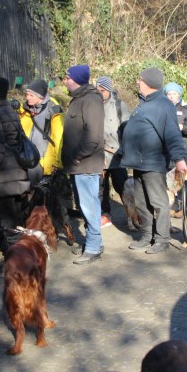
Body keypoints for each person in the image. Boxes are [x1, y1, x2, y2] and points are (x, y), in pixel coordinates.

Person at [120, 67, 187, 254]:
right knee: (141, 203)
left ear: (149, 83)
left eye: (140, 79)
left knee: (159, 202)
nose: (137, 82)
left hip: (153, 162)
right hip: (138, 163)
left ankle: (162, 239)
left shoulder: (163, 105)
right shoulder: (144, 103)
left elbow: (172, 134)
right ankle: (147, 235)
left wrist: (179, 159)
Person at [0, 77, 32, 273]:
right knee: (16, 219)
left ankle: (15, 263)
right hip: (18, 171)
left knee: (7, 221)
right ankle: (20, 257)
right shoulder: (9, 109)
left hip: (5, 175)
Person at [61, 64, 105, 265]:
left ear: (77, 79)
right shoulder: (79, 99)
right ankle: (94, 242)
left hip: (85, 164)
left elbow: (93, 135)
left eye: (67, 78)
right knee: (84, 205)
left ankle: (93, 248)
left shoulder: (91, 100)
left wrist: (78, 156)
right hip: (78, 164)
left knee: (89, 206)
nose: (65, 81)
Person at [96, 75, 129, 228]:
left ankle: (131, 213)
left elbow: (127, 129)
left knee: (123, 186)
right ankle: (105, 215)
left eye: (102, 90)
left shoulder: (119, 105)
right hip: (99, 154)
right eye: (97, 90)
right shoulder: (92, 105)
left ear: (108, 90)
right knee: (101, 188)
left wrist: (124, 150)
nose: (99, 93)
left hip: (117, 154)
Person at [17, 78, 64, 186]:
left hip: (46, 160)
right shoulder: (24, 108)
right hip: (28, 157)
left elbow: (58, 137)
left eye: (31, 95)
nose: (28, 98)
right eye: (27, 94)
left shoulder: (53, 108)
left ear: (41, 96)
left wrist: (57, 162)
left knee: (44, 191)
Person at [164, 82, 187, 165]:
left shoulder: (186, 108)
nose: (171, 96)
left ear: (178, 94)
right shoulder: (162, 107)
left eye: (174, 94)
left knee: (182, 171)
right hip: (166, 147)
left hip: (182, 146)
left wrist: (182, 128)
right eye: (169, 94)